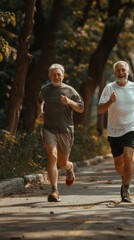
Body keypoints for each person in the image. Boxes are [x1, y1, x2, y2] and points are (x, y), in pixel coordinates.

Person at [98, 60, 134, 203]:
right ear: (115, 72)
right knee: (118, 164)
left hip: (130, 127)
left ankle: (126, 189)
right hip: (114, 130)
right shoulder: (109, 88)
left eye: (123, 69)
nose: (120, 72)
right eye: (118, 70)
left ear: (128, 72)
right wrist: (110, 101)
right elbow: (101, 110)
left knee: (128, 157)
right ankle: (124, 178)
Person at [38, 63, 84, 202]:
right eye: (54, 74)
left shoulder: (70, 90)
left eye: (59, 74)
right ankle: (54, 191)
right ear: (49, 76)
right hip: (49, 129)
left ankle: (69, 169)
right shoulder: (45, 90)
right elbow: (40, 100)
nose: (56, 77)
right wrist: (40, 112)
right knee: (52, 157)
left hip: (66, 130)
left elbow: (81, 108)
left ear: (63, 75)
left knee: (63, 163)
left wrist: (69, 101)